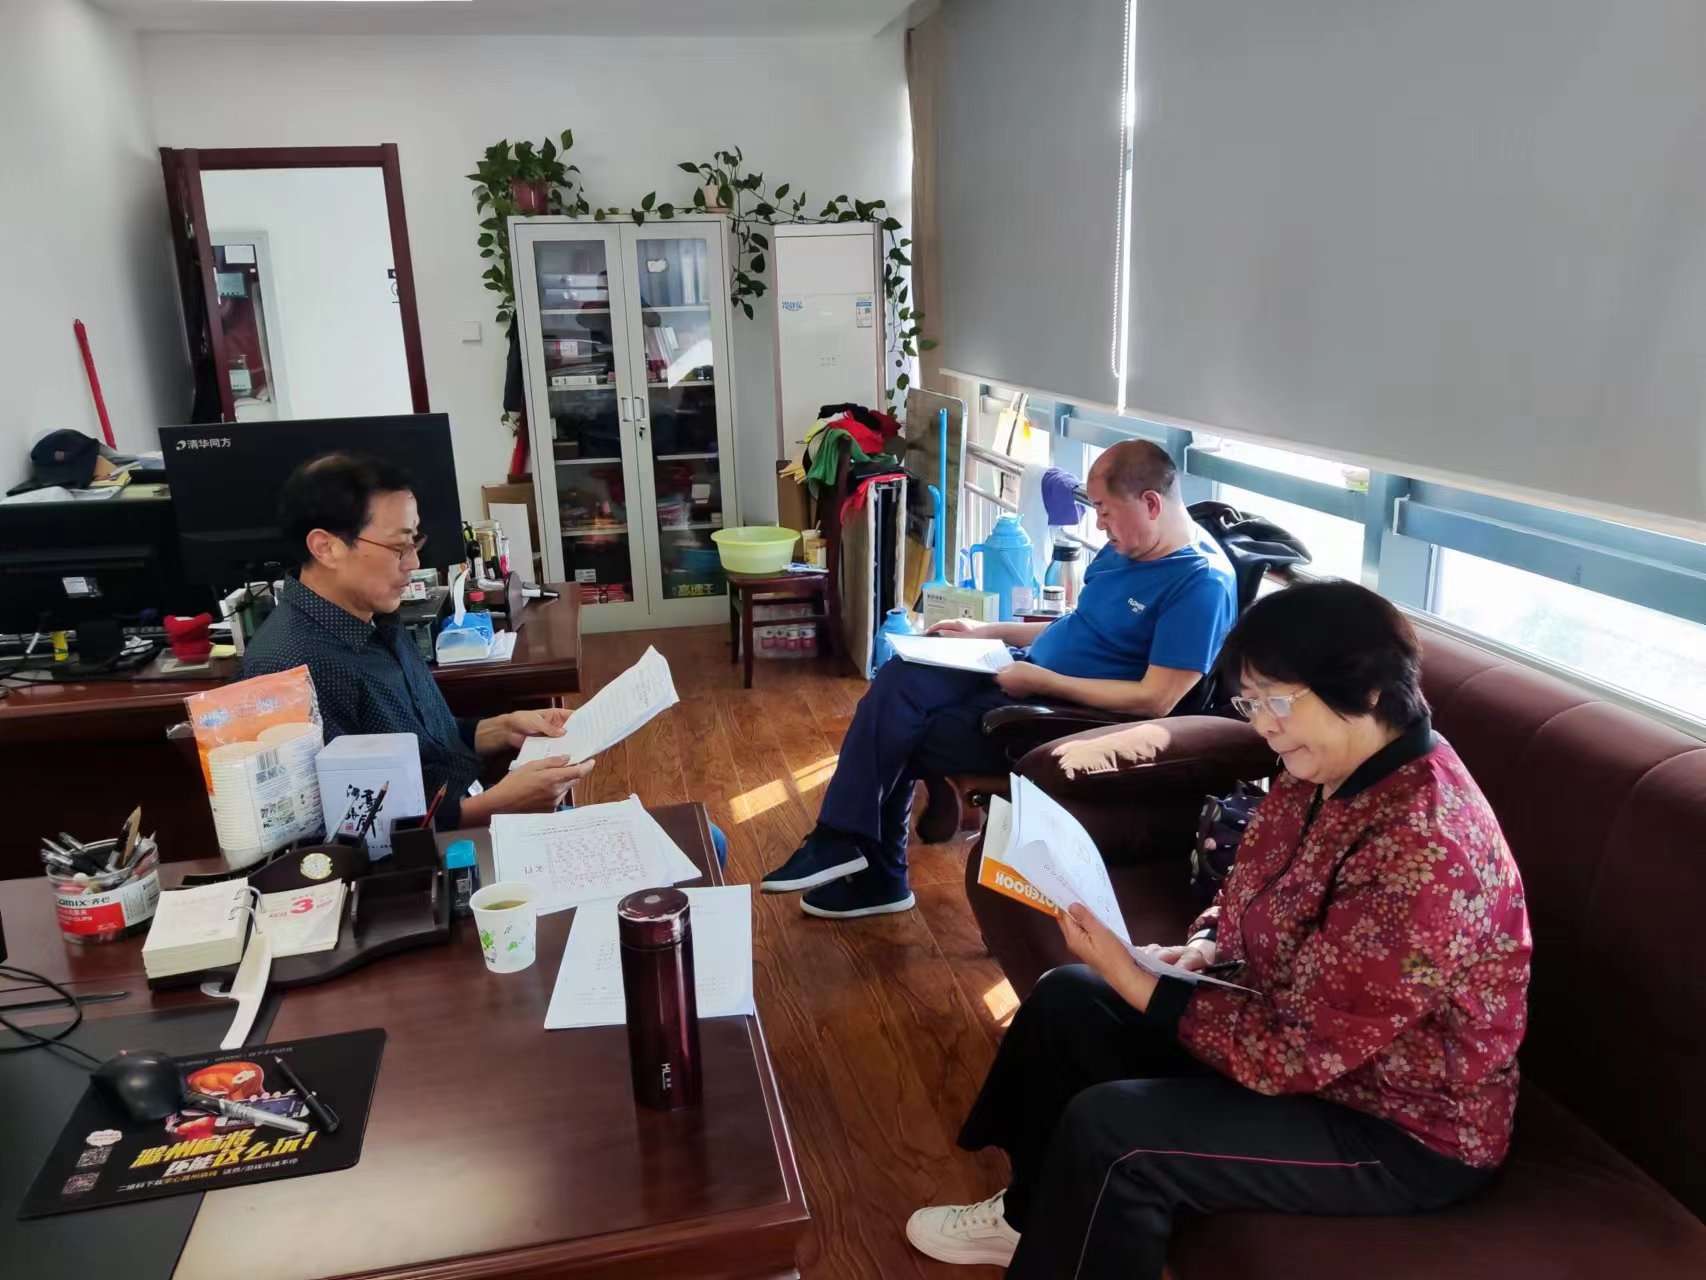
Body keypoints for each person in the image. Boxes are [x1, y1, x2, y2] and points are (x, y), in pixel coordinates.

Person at [905, 580, 1532, 1277]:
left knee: (1116, 1132)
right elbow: (1256, 882)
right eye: (1250, 702)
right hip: (1300, 1038)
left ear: (1371, 691)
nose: (1263, 725)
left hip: (1397, 1125)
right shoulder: (1325, 763)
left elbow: (1297, 1055)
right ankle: (1028, 1216)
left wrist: (1138, 980)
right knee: (1069, 998)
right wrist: (1207, 945)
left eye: (1277, 701)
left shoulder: (1424, 850)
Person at [763, 439, 1236, 920]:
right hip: (1022, 671)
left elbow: (1156, 700)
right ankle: (846, 842)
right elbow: (1076, 627)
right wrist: (986, 630)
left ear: (1151, 503)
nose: (1098, 524)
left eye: (1105, 511)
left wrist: (1043, 682)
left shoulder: (1200, 584)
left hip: (1062, 716)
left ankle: (869, 866)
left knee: (900, 724)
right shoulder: (1129, 548)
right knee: (902, 673)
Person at [239, 453, 592, 831]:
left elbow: (426, 742)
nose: (413, 563)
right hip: (433, 851)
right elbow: (342, 833)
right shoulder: (287, 674)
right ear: (326, 548)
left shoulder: (376, 618)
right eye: (399, 547)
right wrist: (493, 807)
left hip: (471, 806)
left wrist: (504, 728)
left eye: (414, 541)